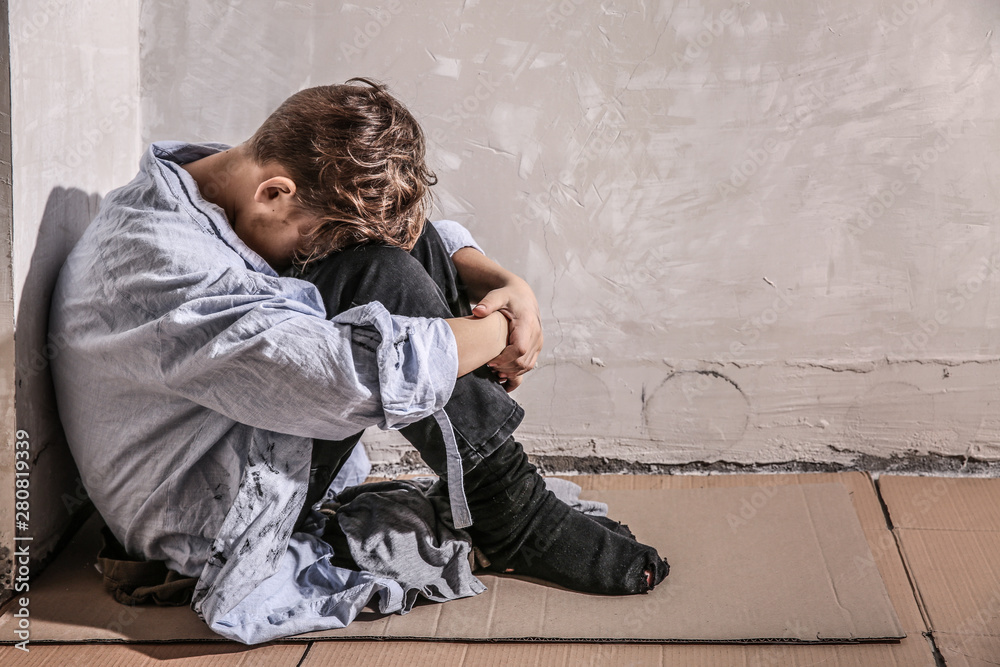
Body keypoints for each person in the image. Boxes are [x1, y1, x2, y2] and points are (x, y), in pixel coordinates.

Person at [49, 78, 668, 643]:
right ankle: (513, 512)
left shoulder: (221, 180)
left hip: (230, 433)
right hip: (199, 512)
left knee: (394, 251)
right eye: (309, 238)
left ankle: (502, 500)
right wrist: (502, 329)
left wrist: (506, 282)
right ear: (274, 192)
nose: (312, 256)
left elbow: (414, 239)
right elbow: (351, 375)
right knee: (382, 274)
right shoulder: (164, 264)